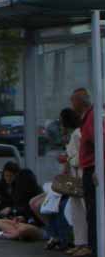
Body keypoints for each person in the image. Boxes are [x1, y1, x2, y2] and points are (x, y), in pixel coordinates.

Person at [71, 88, 99, 257]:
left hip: (91, 168)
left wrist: (98, 168)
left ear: (81, 101)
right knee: (88, 208)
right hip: (88, 167)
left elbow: (98, 141)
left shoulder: (92, 118)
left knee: (92, 209)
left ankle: (94, 247)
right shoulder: (88, 118)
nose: (72, 105)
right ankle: (90, 245)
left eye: (73, 101)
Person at [59, 107, 91, 256]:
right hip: (74, 173)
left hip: (80, 172)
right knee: (76, 210)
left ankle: (87, 243)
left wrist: (69, 159)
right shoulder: (72, 134)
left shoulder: (78, 134)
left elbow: (80, 155)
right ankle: (80, 242)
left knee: (84, 209)